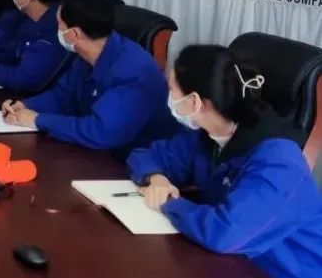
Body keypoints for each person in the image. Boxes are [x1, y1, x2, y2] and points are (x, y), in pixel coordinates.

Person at [127, 45, 322, 278]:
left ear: (194, 101)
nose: (167, 96)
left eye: (171, 89)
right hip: (228, 261)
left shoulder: (280, 163)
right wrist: (155, 178)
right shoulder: (209, 135)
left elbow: (224, 233)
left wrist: (168, 202)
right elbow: (144, 155)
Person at [1, 0, 179, 154]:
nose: (56, 30)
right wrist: (25, 106)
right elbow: (62, 96)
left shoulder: (134, 70)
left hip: (134, 162)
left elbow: (102, 132)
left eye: (59, 25)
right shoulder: (86, 56)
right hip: (94, 151)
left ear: (74, 34)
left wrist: (38, 120)